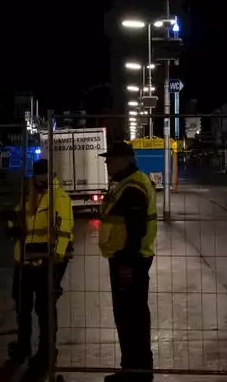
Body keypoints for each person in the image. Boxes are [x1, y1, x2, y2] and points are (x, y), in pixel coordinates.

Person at [6, 159, 74, 371]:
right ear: (34, 176)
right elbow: (16, 219)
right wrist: (11, 227)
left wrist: (57, 266)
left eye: (45, 174)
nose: (42, 178)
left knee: (45, 311)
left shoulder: (59, 198)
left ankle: (46, 352)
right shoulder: (28, 196)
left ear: (51, 175)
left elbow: (64, 233)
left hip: (47, 263)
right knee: (22, 308)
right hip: (24, 264)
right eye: (38, 175)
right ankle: (23, 346)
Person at [98, 141, 158, 382]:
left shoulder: (133, 187)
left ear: (125, 159)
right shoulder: (126, 183)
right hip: (128, 259)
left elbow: (135, 230)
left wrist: (126, 265)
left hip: (130, 261)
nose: (106, 162)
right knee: (130, 317)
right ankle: (132, 369)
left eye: (110, 158)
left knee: (131, 318)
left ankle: (137, 373)